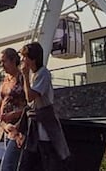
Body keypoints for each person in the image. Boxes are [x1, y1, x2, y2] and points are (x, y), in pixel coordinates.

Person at [17, 42, 70, 171]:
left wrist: (24, 75)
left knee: (44, 162)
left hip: (44, 126)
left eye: (25, 57)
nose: (23, 60)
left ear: (33, 59)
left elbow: (30, 96)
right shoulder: (32, 74)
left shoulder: (43, 74)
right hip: (33, 125)